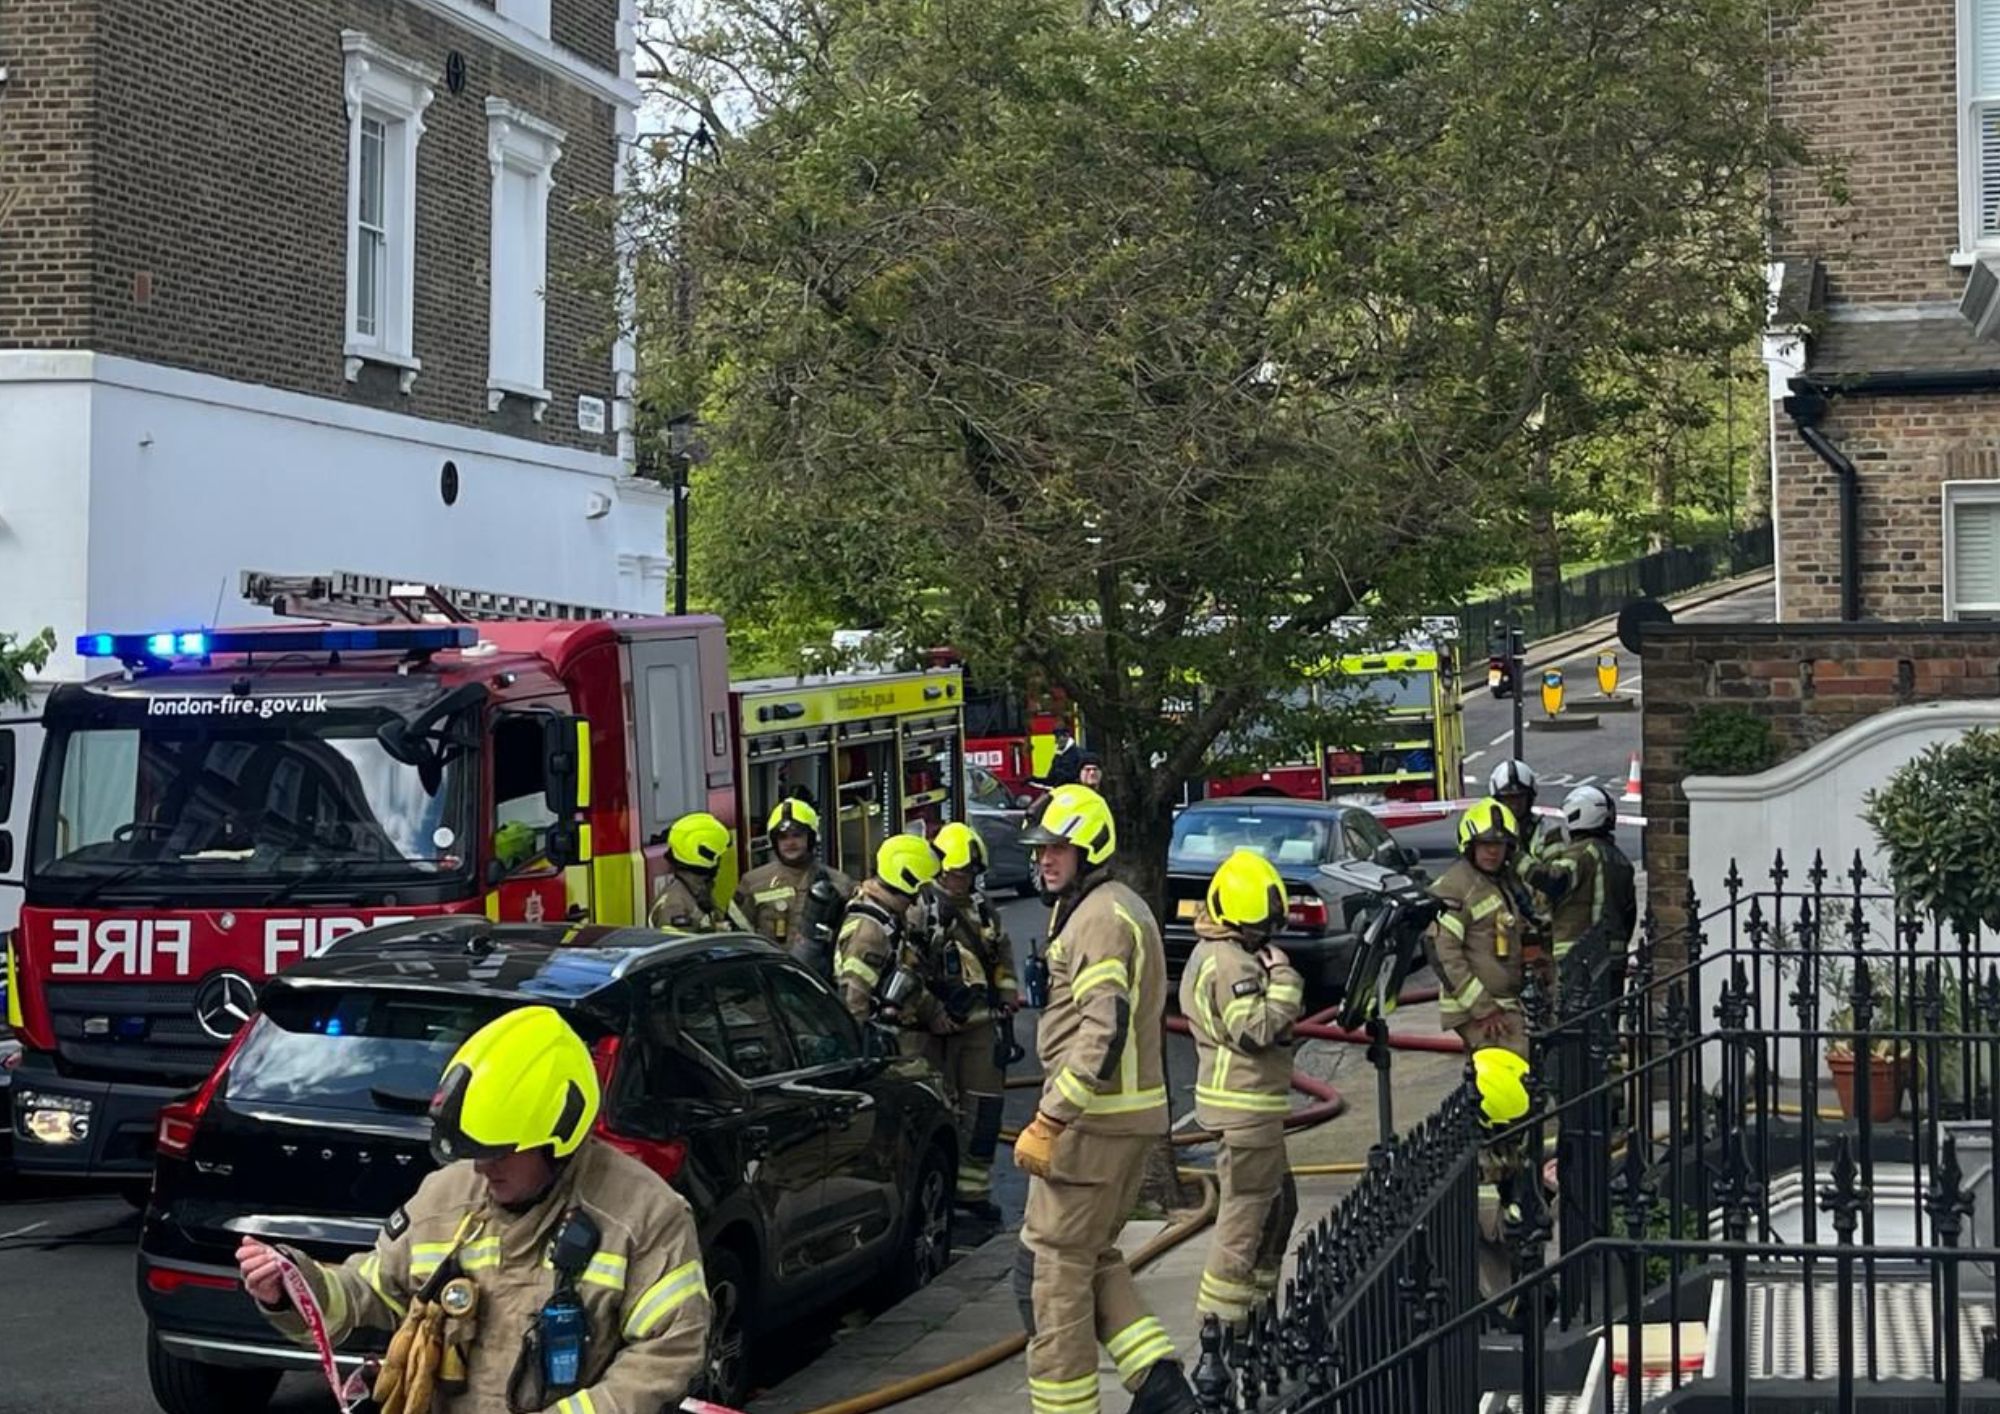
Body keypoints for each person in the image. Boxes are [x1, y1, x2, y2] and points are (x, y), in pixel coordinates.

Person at [235, 1006, 709, 1414]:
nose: (482, 1169)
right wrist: (294, 1287)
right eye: (472, 1150)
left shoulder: (643, 1215)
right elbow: (373, 1291)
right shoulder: (446, 1198)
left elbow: (668, 1351)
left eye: (499, 1152)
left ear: (556, 1138)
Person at [1011, 784, 1194, 1414]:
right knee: (1093, 1255)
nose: (1044, 860)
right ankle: (1161, 1386)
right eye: (1040, 850)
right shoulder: (1109, 906)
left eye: (1058, 849)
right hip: (1118, 1123)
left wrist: (1051, 1115)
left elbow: (1103, 1028)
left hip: (1090, 1128)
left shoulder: (1098, 919)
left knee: (1053, 1271)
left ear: (1090, 848)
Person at [1179, 850, 1305, 1331]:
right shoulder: (1232, 962)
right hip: (1243, 1109)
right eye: (1259, 930)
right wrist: (1285, 979)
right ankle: (1223, 1329)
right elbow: (1255, 1029)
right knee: (1245, 1218)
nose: (1264, 938)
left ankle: (1256, 1311)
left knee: (1278, 1206)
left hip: (1248, 1109)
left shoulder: (1221, 951)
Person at [926, 821, 1022, 1223]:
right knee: (939, 1113)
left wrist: (1006, 994)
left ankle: (973, 1193)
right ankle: (940, 1197)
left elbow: (1001, 958)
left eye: (966, 874)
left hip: (982, 1027)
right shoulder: (923, 909)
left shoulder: (984, 910)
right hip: (936, 1031)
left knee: (983, 1113)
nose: (959, 881)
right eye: (953, 873)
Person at [1427, 798, 1530, 1058]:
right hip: (1480, 1008)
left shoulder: (1498, 882)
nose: (1492, 852)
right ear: (1470, 846)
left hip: (1501, 1001)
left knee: (1487, 1080)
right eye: (1485, 844)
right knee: (1517, 1064)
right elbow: (1443, 953)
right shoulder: (1456, 887)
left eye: (1499, 845)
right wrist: (1483, 1009)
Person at [833, 834, 952, 1053]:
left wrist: (935, 1010)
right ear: (907, 878)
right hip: (880, 1047)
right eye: (924, 885)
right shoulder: (869, 932)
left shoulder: (889, 914)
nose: (925, 894)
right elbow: (853, 1001)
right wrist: (864, 1058)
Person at [1530, 784, 1639, 992]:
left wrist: (1520, 862)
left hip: (1579, 955)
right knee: (1608, 1018)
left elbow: (1554, 884)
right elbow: (1629, 914)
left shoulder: (1583, 853)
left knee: (1576, 1019)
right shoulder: (1621, 860)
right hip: (1614, 956)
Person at [736, 798, 855, 974]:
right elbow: (738, 940)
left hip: (820, 981)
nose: (790, 843)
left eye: (797, 835)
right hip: (769, 979)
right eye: (782, 837)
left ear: (812, 837)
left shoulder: (839, 883)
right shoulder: (752, 883)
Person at [648, 811, 750, 931]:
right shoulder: (675, 907)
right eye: (718, 857)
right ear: (705, 856)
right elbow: (684, 947)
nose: (719, 862)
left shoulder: (695, 890)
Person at [1489, 759, 1557, 879]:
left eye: (1519, 798)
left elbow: (1555, 878)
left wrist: (1516, 859)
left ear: (1530, 798)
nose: (1514, 805)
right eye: (1508, 799)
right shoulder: (1486, 833)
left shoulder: (1548, 831)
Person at [1032, 724, 1085, 792]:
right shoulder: (1057, 756)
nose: (1056, 742)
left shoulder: (1079, 754)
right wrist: (1034, 779)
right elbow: (1050, 780)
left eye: (1057, 738)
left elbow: (1080, 779)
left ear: (1066, 736)